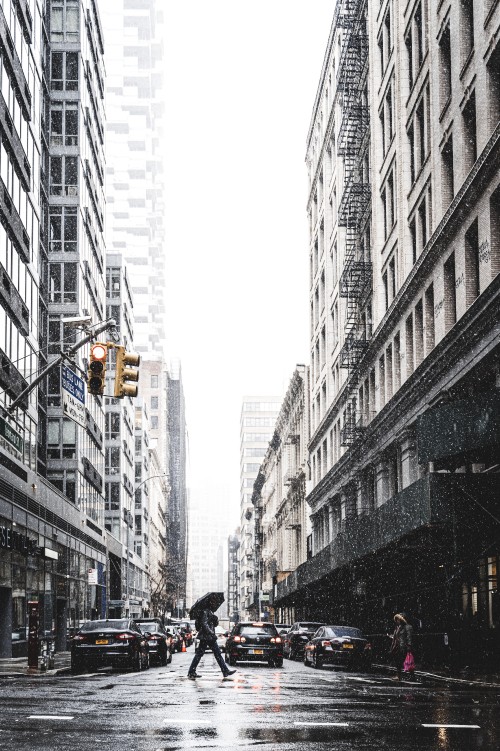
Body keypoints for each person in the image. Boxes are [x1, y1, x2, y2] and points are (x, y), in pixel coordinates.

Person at [187, 607, 236, 679]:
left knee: (214, 654)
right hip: (207, 636)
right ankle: (225, 671)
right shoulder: (205, 611)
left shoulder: (209, 611)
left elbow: (213, 624)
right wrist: (211, 632)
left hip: (208, 637)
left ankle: (191, 671)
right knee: (214, 654)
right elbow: (204, 624)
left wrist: (215, 619)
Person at [388, 612, 414, 681]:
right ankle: (399, 676)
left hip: (404, 647)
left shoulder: (408, 627)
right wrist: (392, 637)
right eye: (396, 620)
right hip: (397, 647)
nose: (397, 621)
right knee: (398, 662)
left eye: (398, 619)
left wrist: (409, 646)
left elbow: (409, 637)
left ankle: (412, 676)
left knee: (408, 661)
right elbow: (397, 637)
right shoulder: (398, 627)